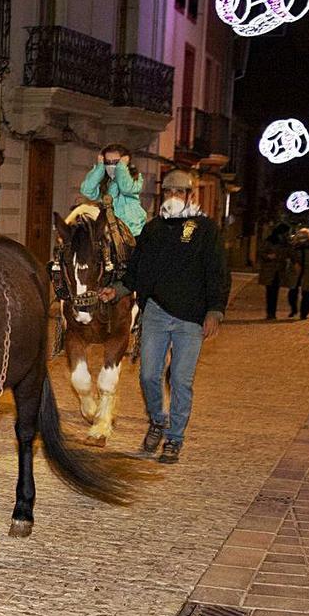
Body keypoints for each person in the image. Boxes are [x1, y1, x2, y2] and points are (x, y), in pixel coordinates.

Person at [98, 170, 229, 464]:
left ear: (189, 196)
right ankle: (158, 420)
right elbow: (136, 270)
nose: (173, 197)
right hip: (156, 312)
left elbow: (218, 272)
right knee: (148, 375)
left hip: (191, 318)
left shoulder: (206, 230)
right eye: (168, 192)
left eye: (179, 192)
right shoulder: (153, 229)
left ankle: (175, 438)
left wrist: (215, 311)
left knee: (181, 380)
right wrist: (117, 291)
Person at [80, 143, 145, 268]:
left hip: (133, 232)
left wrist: (121, 168)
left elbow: (126, 188)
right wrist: (99, 168)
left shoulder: (135, 179)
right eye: (108, 162)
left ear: (125, 162)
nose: (111, 166)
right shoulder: (106, 183)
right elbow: (87, 190)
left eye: (116, 162)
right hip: (110, 232)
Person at [286, 227, 309, 320]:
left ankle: (304, 313)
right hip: (296, 272)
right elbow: (290, 256)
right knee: (292, 293)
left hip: (308, 273)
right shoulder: (294, 246)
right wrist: (294, 264)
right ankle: (294, 309)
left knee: (307, 294)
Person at [257, 223, 290, 319]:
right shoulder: (269, 241)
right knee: (270, 292)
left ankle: (272, 312)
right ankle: (270, 312)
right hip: (269, 270)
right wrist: (268, 256)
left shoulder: (285, 242)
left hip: (279, 271)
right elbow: (261, 252)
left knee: (275, 292)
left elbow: (288, 252)